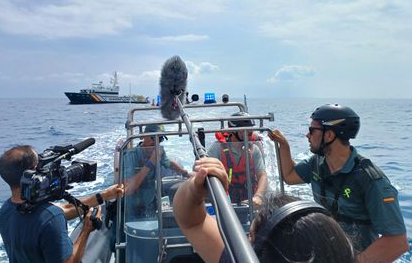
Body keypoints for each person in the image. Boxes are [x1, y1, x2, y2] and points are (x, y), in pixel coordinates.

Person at [268, 104, 409, 262]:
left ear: (329, 136)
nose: (307, 135)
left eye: (312, 130)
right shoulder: (317, 163)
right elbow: (289, 176)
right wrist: (284, 146)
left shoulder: (370, 180)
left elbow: (397, 243)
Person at [173, 157, 356, 263]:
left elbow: (192, 223)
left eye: (250, 239)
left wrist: (194, 189)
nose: (244, 242)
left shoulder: (244, 259)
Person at [0, 145, 124, 263]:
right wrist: (86, 230)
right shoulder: (51, 217)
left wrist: (102, 196)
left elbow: (58, 212)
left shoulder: (5, 210)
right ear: (33, 173)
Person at [123, 124, 189, 218]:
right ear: (144, 136)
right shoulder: (130, 156)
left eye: (160, 138)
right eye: (153, 138)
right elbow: (128, 189)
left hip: (151, 203)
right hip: (132, 207)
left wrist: (185, 173)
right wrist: (150, 163)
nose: (156, 142)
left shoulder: (159, 152)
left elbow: (169, 164)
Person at [208, 112, 267, 205]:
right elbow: (208, 176)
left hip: (251, 199)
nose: (248, 134)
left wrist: (258, 196)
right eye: (244, 131)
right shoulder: (217, 148)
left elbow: (262, 175)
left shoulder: (254, 149)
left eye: (250, 131)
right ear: (233, 131)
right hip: (224, 199)